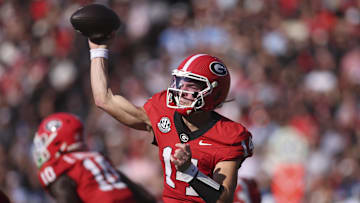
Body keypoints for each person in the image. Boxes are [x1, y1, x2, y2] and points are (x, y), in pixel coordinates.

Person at [88, 39, 254, 203]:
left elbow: (223, 199)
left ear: (214, 93)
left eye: (192, 87)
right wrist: (97, 50)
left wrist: (189, 170)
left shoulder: (229, 135)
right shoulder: (162, 111)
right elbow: (104, 99)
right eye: (181, 83)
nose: (181, 91)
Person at [32, 112, 156, 203]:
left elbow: (66, 197)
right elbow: (145, 196)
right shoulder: (96, 158)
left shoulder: (61, 166)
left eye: (43, 142)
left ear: (58, 142)